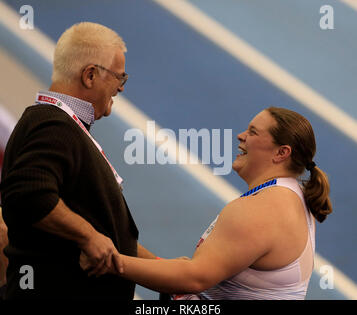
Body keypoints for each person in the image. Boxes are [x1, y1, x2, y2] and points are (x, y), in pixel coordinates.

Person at [83, 106, 333, 300]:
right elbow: (195, 271)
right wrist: (113, 246)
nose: (241, 136)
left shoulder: (263, 209)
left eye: (253, 132)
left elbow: (194, 278)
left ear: (281, 153)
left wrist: (112, 263)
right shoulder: (292, 196)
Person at [0, 22, 156, 300]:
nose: (120, 89)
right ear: (90, 75)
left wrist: (160, 270)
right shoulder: (52, 124)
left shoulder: (62, 126)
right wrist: (87, 237)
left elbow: (105, 232)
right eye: (120, 78)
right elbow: (28, 194)